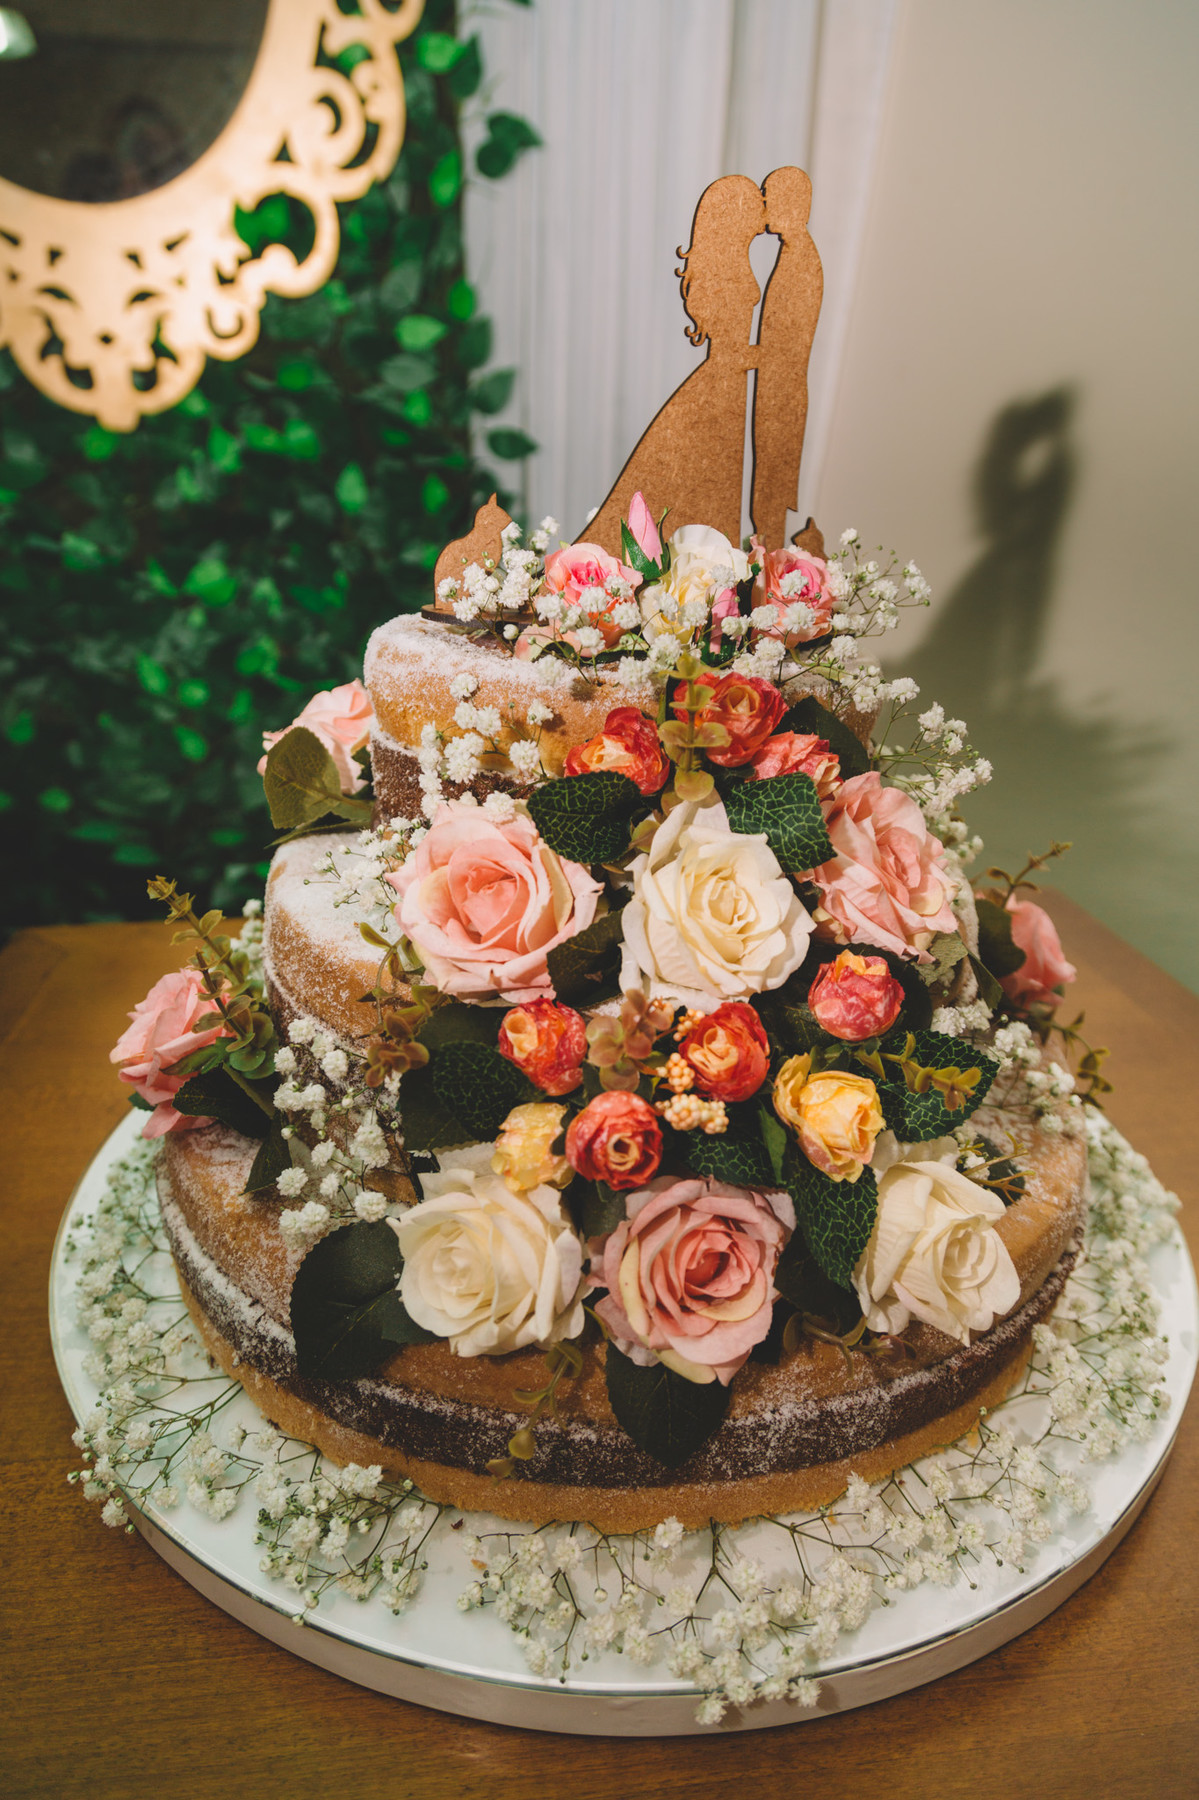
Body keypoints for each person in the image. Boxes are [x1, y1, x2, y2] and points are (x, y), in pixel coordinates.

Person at [580, 173, 766, 556]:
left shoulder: (734, 263)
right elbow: (729, 348)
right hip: (719, 387)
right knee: (700, 488)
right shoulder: (726, 271)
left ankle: (714, 571)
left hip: (726, 384)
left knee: (709, 492)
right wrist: (764, 356)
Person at [749, 166, 824, 550]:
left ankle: (769, 565)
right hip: (774, 390)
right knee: (764, 492)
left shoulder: (802, 263)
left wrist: (749, 355)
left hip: (783, 396)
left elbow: (790, 345)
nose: (764, 209)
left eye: (769, 200)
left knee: (770, 494)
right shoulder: (792, 255)